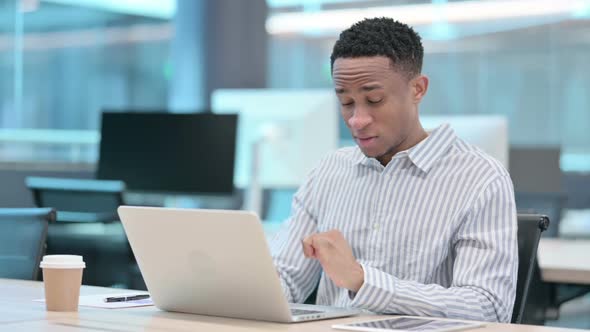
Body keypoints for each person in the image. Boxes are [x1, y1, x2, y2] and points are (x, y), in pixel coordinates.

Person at [269, 17, 517, 323]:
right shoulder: (329, 172)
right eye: (346, 102)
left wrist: (363, 280)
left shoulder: (480, 178)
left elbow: (488, 307)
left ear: (417, 89)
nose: (357, 120)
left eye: (374, 100)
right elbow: (283, 279)